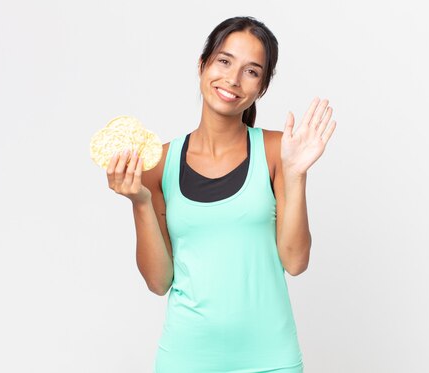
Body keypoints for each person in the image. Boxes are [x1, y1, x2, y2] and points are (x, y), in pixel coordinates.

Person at [106, 16, 336, 373]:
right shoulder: (160, 162)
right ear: (202, 65)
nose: (232, 79)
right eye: (224, 61)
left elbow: (295, 261)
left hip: (271, 360)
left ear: (262, 88)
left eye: (252, 71)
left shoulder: (278, 151)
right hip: (186, 360)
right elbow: (158, 281)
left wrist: (296, 175)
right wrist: (140, 202)